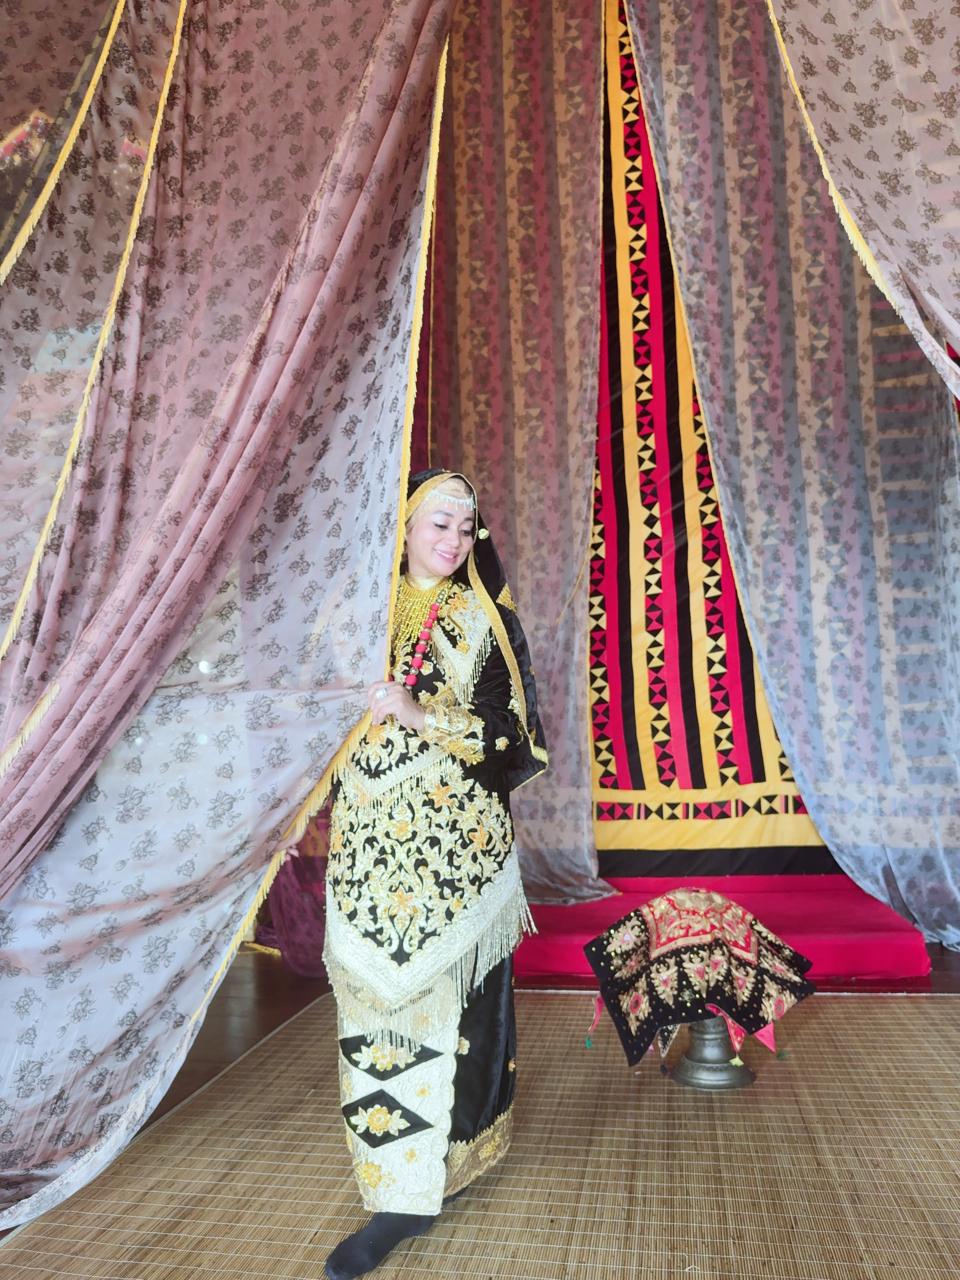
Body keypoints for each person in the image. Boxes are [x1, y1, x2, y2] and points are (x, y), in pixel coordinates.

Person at [323, 469, 547, 1280]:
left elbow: (511, 735)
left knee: (454, 1012)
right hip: (366, 848)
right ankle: (390, 1186)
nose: (453, 541)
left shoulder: (487, 617)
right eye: (437, 525)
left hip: (457, 855)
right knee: (371, 1002)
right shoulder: (356, 611)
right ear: (406, 527)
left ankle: (420, 1191)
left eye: (465, 527)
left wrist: (420, 715)